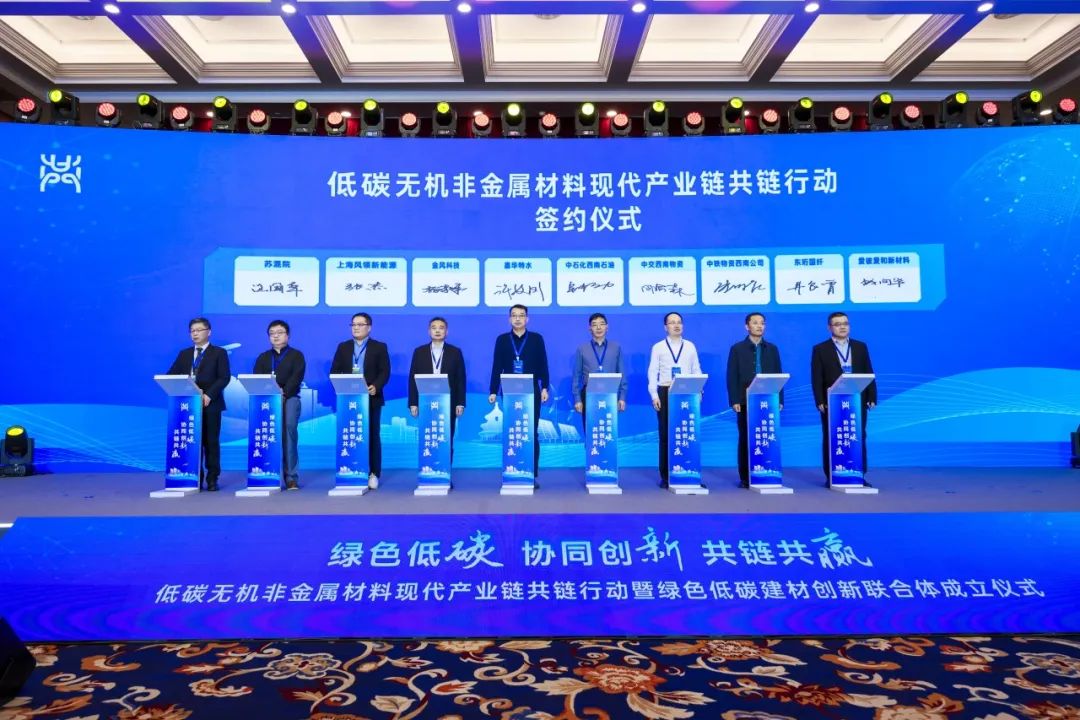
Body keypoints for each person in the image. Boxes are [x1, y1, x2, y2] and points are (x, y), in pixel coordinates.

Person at [811, 311, 877, 486]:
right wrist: (819, 400)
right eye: (837, 324)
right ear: (829, 327)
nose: (842, 327)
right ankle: (832, 475)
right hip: (831, 401)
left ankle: (859, 474)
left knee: (858, 435)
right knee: (831, 436)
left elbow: (869, 371)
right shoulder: (820, 349)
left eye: (845, 323)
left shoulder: (860, 347)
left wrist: (872, 396)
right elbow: (816, 377)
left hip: (857, 399)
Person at [166, 317, 231, 492]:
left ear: (208, 332)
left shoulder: (219, 353)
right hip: (188, 406)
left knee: (211, 442)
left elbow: (224, 377)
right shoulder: (184, 354)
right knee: (192, 441)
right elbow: (171, 375)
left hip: (211, 404)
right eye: (192, 331)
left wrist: (209, 395)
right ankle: (195, 477)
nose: (195, 334)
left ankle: (212, 477)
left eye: (199, 330)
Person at [488, 304, 550, 480]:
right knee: (513, 430)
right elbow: (496, 366)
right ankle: (512, 469)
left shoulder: (536, 339)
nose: (517, 318)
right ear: (509, 319)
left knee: (531, 432)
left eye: (521, 315)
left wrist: (545, 387)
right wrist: (493, 390)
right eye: (514, 315)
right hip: (509, 392)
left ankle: (531, 474)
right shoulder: (502, 340)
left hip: (532, 391)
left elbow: (543, 363)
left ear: (527, 319)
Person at [331, 312, 391, 490]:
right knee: (350, 434)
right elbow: (335, 371)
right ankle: (351, 469)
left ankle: (373, 473)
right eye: (353, 325)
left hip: (371, 398)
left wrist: (376, 386)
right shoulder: (343, 347)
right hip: (349, 400)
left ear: (369, 327)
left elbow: (385, 371)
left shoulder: (379, 347)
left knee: (372, 435)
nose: (356, 328)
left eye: (360, 324)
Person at [726, 312, 784, 489]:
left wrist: (780, 399)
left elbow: (778, 374)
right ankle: (745, 477)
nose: (759, 326)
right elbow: (732, 376)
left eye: (762, 323)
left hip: (768, 400)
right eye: (755, 323)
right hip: (745, 400)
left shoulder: (772, 349)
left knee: (767, 436)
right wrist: (734, 399)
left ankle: (767, 470)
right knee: (746, 437)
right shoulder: (737, 349)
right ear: (747, 326)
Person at [647, 312, 702, 487]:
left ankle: (690, 472)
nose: (676, 325)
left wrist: (699, 390)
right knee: (666, 435)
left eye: (679, 322)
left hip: (687, 392)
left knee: (688, 434)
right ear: (666, 327)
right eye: (672, 323)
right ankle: (666, 476)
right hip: (665, 391)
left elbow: (696, 369)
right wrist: (654, 394)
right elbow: (652, 372)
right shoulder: (658, 347)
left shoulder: (690, 346)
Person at [253, 320, 306, 491]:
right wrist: (273, 394)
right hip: (268, 401)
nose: (275, 336)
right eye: (272, 333)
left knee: (289, 432)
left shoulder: (296, 355)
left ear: (287, 335)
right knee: (266, 434)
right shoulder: (263, 357)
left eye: (280, 332)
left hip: (290, 398)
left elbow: (297, 377)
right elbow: (257, 378)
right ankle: (266, 473)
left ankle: (291, 478)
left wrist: (283, 393)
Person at [408, 316, 467, 460]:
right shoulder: (419, 352)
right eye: (434, 328)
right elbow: (412, 378)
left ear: (447, 331)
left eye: (441, 328)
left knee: (447, 435)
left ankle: (445, 470)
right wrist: (413, 403)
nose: (437, 331)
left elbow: (460, 379)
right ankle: (427, 468)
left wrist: (460, 403)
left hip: (449, 401)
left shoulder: (455, 352)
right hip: (425, 401)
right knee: (427, 434)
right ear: (429, 331)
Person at [571, 313, 627, 429]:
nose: (598, 327)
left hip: (610, 393)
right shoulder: (582, 349)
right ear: (589, 328)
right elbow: (576, 375)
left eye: (602, 324)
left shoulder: (616, 348)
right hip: (589, 394)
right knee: (590, 429)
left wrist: (622, 397)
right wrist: (577, 399)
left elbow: (622, 373)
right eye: (594, 325)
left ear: (607, 327)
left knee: (608, 429)